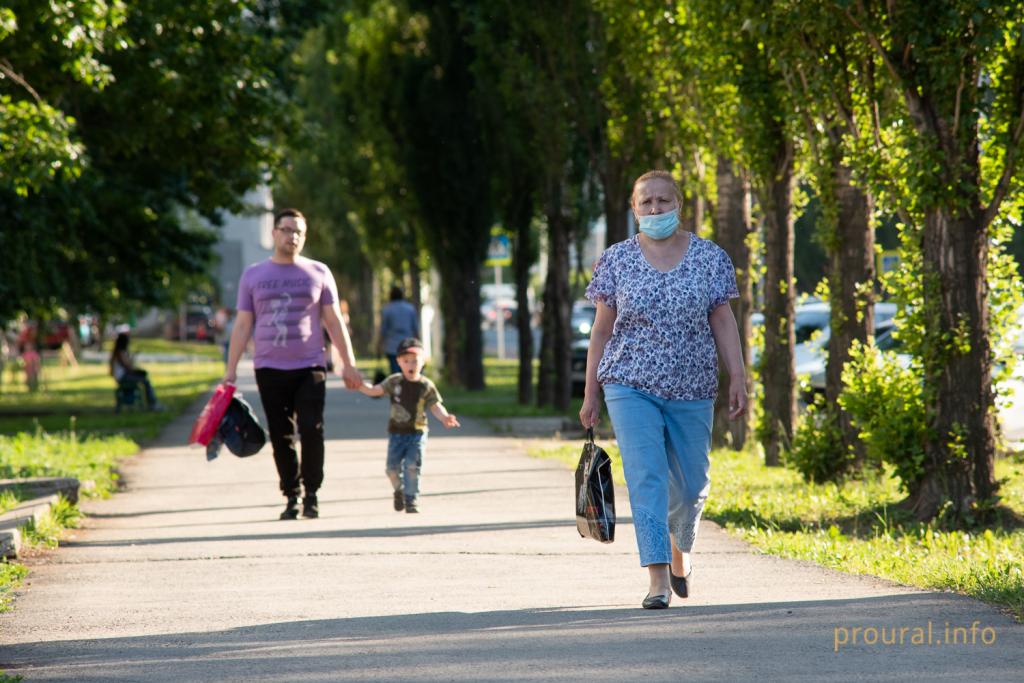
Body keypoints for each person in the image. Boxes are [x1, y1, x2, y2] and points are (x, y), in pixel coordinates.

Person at [579, 169, 747, 610]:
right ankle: (656, 580)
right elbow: (601, 330)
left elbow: (724, 320)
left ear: (679, 205)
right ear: (634, 210)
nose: (655, 209)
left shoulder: (710, 258)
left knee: (692, 486)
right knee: (646, 476)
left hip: (693, 385)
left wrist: (739, 377)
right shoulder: (616, 260)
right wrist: (591, 391)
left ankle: (679, 549)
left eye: (663, 201)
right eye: (646, 203)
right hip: (629, 383)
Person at [224, 208, 363, 521]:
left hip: (310, 365)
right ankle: (291, 494)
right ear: (274, 234)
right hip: (269, 367)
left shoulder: (318, 272)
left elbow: (333, 320)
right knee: (281, 435)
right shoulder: (253, 275)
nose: (293, 237)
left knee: (312, 429)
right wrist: (230, 371)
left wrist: (349, 363)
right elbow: (243, 325)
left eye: (299, 232)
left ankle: (312, 493)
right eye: (287, 230)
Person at [357, 337, 459, 513]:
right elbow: (375, 391)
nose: (410, 364)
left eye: (415, 360)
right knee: (391, 469)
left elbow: (435, 405)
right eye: (406, 361)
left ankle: (411, 499)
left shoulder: (426, 385)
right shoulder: (394, 381)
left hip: (417, 433)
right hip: (396, 433)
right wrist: (358, 385)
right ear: (398, 362)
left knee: (412, 466)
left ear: (423, 362)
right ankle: (400, 490)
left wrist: (444, 417)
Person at [108, 332, 162, 409]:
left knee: (144, 377)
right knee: (146, 381)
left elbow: (128, 365)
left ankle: (152, 403)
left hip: (124, 376)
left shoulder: (120, 352)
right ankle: (152, 404)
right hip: (122, 377)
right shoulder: (119, 353)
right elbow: (128, 367)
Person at [379, 286, 420, 375]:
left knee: (395, 372)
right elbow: (415, 328)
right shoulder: (410, 308)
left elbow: (383, 330)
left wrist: (379, 345)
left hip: (392, 346)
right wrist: (418, 344)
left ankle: (398, 388)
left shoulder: (387, 309)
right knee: (408, 370)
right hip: (408, 345)